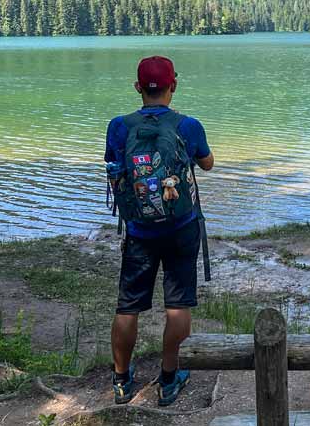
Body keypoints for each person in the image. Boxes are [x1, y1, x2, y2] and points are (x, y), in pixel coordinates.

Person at [104, 55, 214, 405]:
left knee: (128, 307)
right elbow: (208, 164)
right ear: (173, 85)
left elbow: (114, 165)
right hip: (181, 227)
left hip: (139, 231)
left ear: (138, 87)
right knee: (178, 305)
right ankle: (168, 378)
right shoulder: (188, 125)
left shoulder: (119, 126)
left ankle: (122, 381)